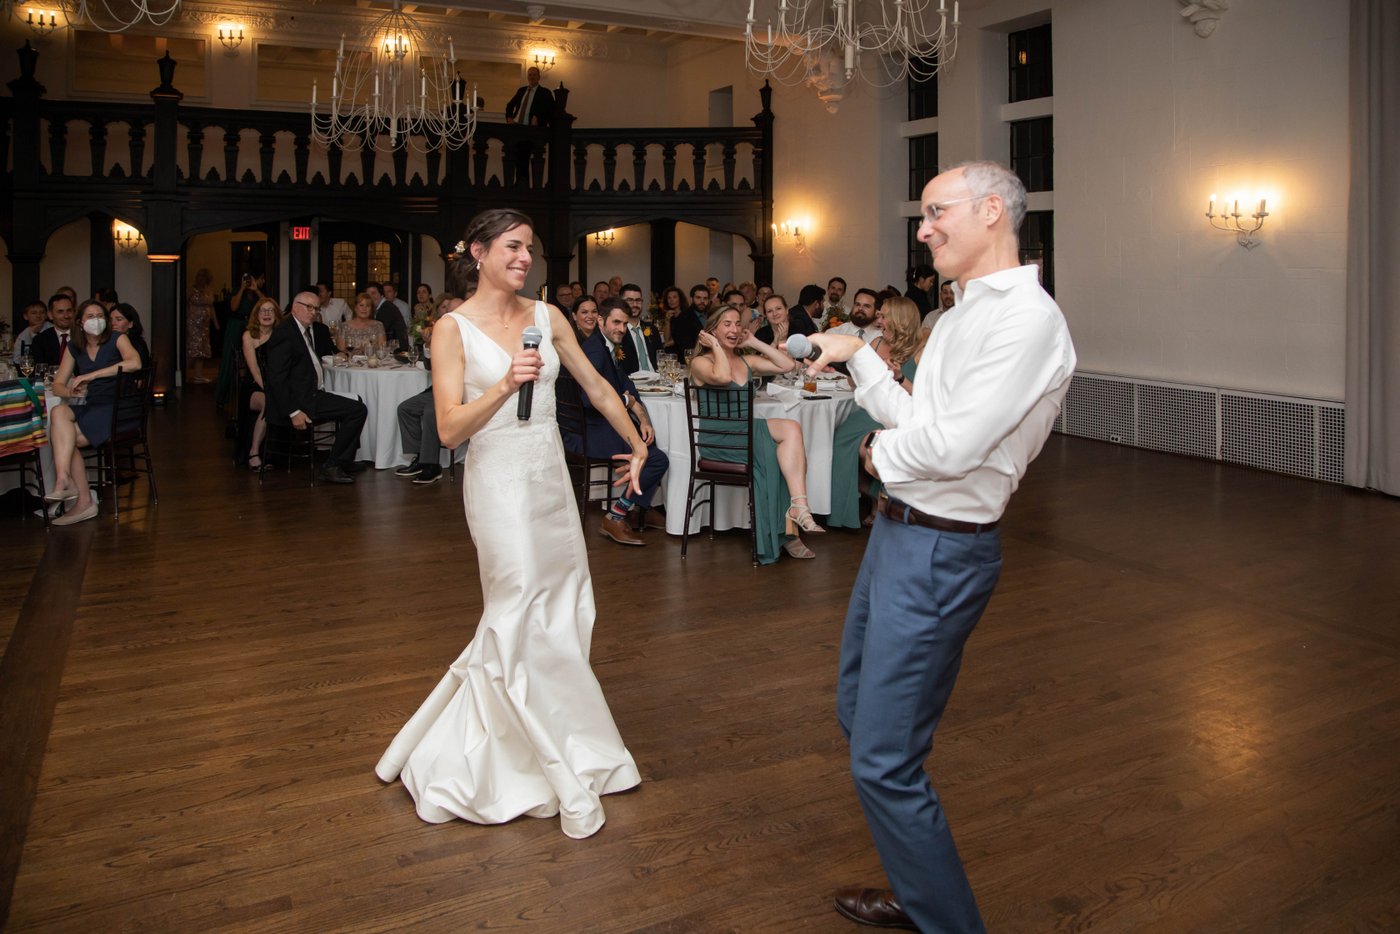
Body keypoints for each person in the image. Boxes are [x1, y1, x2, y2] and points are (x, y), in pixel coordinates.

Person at [805, 161, 1076, 933]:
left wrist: (871, 457)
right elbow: (924, 421)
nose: (922, 230)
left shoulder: (1026, 321)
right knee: (862, 716)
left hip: (941, 551)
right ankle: (920, 887)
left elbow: (949, 449)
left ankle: (945, 920)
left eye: (934, 212)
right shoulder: (959, 314)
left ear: (992, 210)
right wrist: (856, 354)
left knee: (882, 761)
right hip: (899, 537)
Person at [374, 208, 646, 839]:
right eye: (514, 247)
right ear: (478, 251)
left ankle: (565, 739)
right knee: (516, 601)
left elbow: (598, 386)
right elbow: (446, 430)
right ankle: (508, 759)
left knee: (560, 603)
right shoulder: (452, 329)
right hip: (496, 479)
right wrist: (501, 385)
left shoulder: (547, 317)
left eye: (531, 249)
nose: (525, 258)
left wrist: (637, 444)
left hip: (549, 477)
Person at [688, 306, 822, 563]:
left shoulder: (746, 360)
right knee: (779, 457)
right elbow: (723, 375)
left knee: (791, 432)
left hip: (745, 433)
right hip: (719, 439)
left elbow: (787, 365)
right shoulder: (700, 363)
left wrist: (754, 341)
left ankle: (799, 506)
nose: (734, 329)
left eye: (738, 324)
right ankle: (788, 535)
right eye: (726, 324)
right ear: (712, 330)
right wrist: (715, 346)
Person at [827, 296, 925, 529]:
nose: (878, 321)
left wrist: (900, 378)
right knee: (836, 443)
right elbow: (858, 383)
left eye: (883, 316)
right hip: (867, 412)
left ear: (899, 320)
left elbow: (923, 397)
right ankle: (856, 506)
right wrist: (841, 372)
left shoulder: (921, 350)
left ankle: (883, 501)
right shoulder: (877, 343)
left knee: (868, 449)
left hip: (897, 416)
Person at [43, 300, 143, 526]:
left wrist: (92, 375)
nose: (96, 319)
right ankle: (62, 480)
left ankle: (83, 500)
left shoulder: (118, 339)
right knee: (59, 412)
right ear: (80, 322)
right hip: (93, 406)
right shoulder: (74, 347)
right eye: (90, 316)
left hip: (119, 409)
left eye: (100, 315)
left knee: (67, 439)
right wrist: (69, 390)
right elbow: (57, 383)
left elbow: (135, 363)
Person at [577, 301, 670, 544]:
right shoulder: (596, 351)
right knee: (658, 458)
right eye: (616, 322)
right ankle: (615, 515)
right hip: (592, 430)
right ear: (601, 321)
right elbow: (589, 399)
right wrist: (626, 401)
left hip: (601, 424)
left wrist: (642, 417)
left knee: (652, 439)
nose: (621, 329)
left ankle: (640, 507)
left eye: (625, 324)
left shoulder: (607, 344)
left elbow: (625, 383)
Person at [263, 291, 368, 484]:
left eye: (316, 309)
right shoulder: (285, 333)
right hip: (301, 401)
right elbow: (276, 379)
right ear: (295, 307)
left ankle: (344, 459)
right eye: (308, 307)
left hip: (311, 394)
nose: (313, 312)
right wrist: (294, 412)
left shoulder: (302, 329)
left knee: (357, 401)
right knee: (358, 410)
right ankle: (332, 465)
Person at [241, 297, 282, 470]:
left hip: (277, 384)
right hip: (254, 386)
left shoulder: (281, 335)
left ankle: (274, 453)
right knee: (269, 402)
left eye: (270, 310)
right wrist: (269, 389)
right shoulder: (248, 336)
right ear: (256, 315)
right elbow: (255, 370)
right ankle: (254, 452)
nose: (266, 314)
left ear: (276, 314)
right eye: (262, 310)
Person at [617, 283, 662, 374]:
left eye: (638, 300)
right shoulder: (617, 331)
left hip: (656, 379)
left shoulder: (651, 329)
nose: (635, 304)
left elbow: (661, 356)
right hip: (632, 382)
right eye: (630, 300)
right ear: (620, 302)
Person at [186, 269, 217, 383]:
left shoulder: (209, 291)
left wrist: (216, 323)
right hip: (193, 323)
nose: (200, 279)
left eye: (203, 277)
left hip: (204, 325)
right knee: (192, 349)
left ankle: (198, 375)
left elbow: (211, 307)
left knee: (202, 350)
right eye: (199, 276)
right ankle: (183, 373)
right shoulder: (190, 290)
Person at [31, 293, 76, 369]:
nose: (66, 316)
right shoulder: (40, 340)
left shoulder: (84, 337)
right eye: (60, 312)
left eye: (69, 310)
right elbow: (40, 371)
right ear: (50, 315)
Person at [670, 283, 710, 355]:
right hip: (693, 358)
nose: (702, 301)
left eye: (705, 298)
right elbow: (684, 346)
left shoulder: (712, 315)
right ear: (691, 298)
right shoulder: (683, 317)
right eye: (698, 297)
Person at [108, 303, 152, 369]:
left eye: (119, 319)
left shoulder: (135, 343)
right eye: (110, 320)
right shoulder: (110, 341)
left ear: (130, 324)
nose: (113, 323)